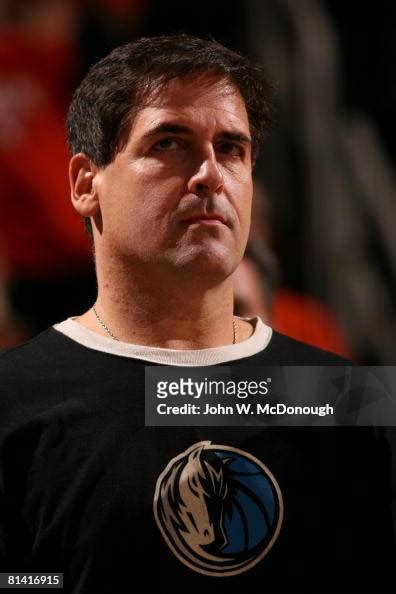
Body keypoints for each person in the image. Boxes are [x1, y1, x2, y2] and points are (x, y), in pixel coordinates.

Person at [0, 35, 392, 593]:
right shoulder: (13, 402)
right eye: (169, 143)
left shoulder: (349, 398)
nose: (210, 174)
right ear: (86, 184)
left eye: (232, 149)